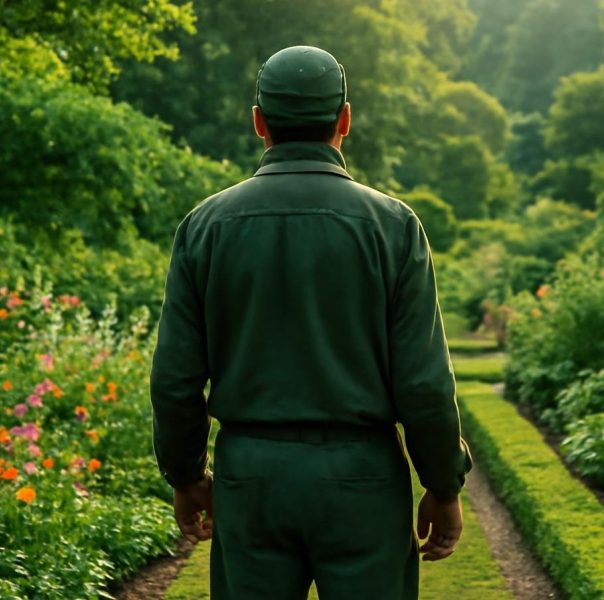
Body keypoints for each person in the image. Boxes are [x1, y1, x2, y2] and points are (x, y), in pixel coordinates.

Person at [149, 45, 473, 599]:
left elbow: (175, 379)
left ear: (259, 122)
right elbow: (422, 384)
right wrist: (443, 485)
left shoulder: (204, 226)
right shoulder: (392, 227)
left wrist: (186, 476)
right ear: (345, 118)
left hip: (251, 478)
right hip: (362, 478)